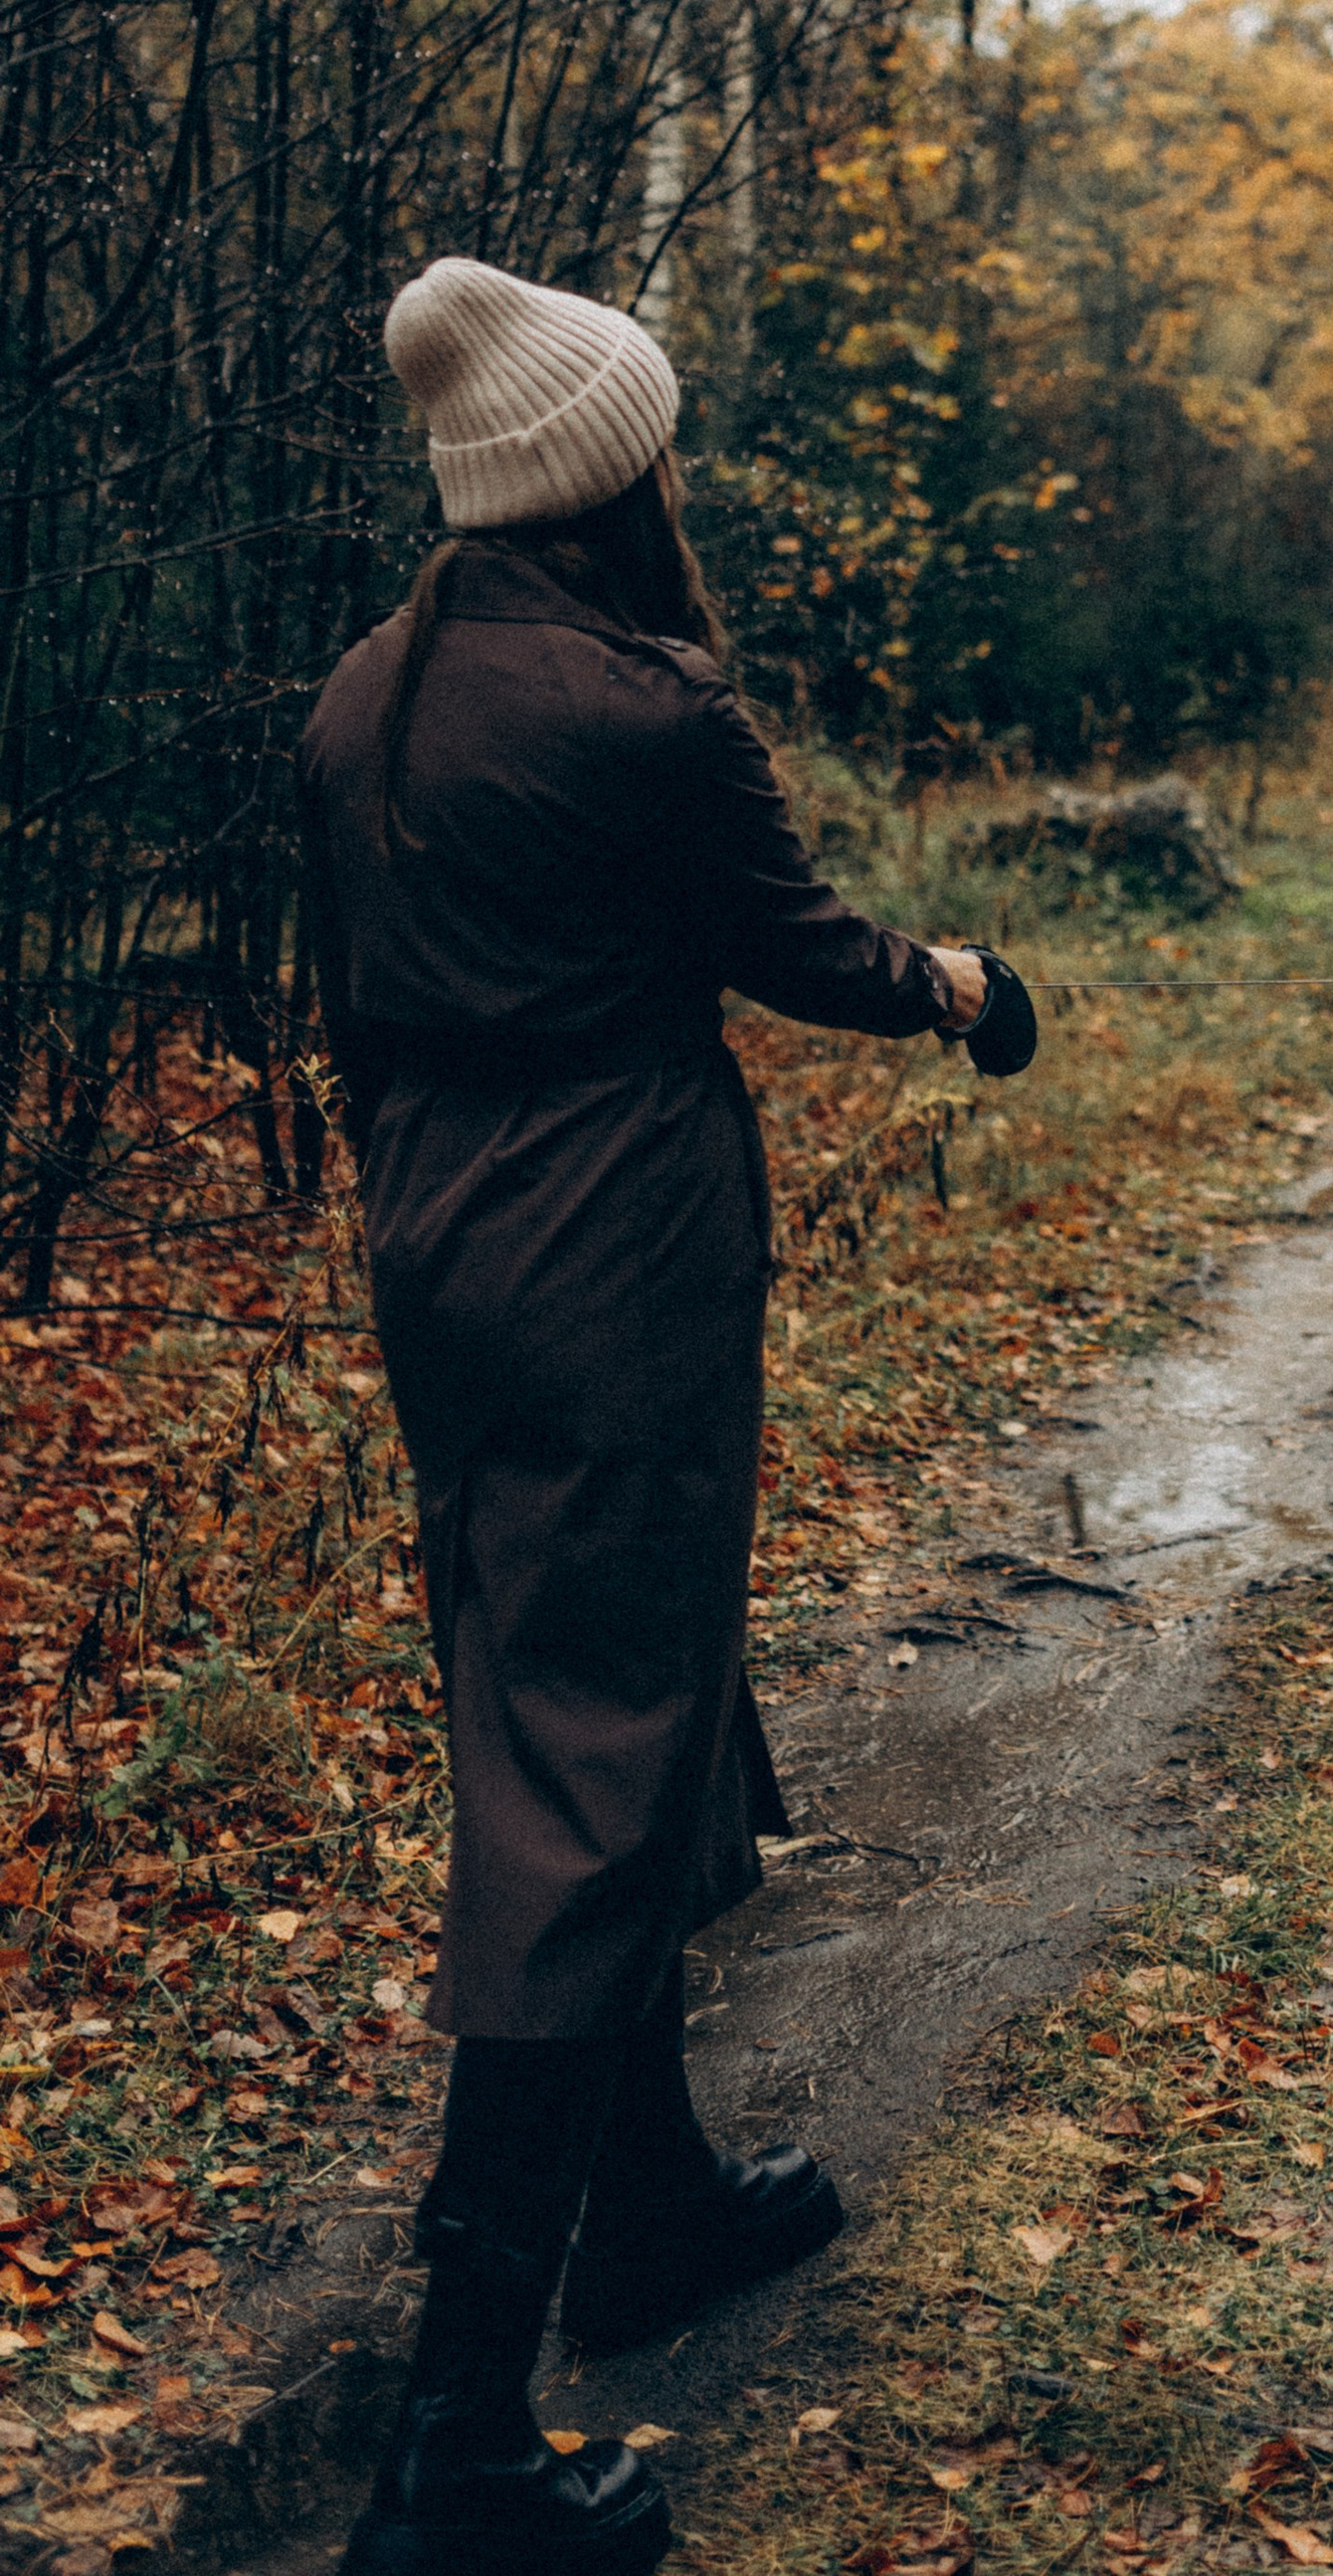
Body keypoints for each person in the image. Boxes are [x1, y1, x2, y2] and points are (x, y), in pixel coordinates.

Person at [298, 257, 1037, 2575]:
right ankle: (457, 2436)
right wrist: (959, 986)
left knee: (589, 1696)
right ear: (610, 467)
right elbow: (791, 941)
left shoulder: (356, 704)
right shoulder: (642, 706)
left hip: (442, 1262)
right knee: (594, 1762)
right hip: (609, 1264)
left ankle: (651, 2212)